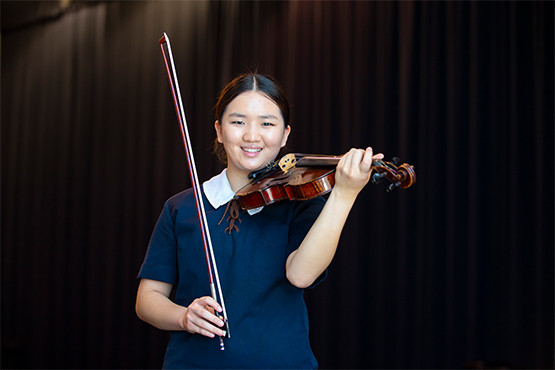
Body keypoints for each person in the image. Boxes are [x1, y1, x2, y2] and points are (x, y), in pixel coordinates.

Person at [135, 73, 384, 369]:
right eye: (238, 122)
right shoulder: (182, 207)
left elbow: (301, 275)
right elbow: (147, 298)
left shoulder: (301, 202)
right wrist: (183, 317)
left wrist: (344, 194)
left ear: (285, 135)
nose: (252, 136)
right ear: (219, 130)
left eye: (267, 123)